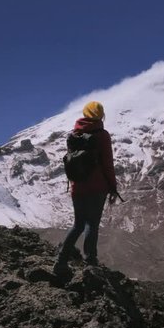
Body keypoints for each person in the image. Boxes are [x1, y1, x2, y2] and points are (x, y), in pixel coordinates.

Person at [53, 101, 118, 274]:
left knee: (78, 225)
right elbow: (107, 164)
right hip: (97, 188)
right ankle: (90, 262)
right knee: (92, 224)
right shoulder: (102, 135)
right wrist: (113, 187)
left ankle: (60, 261)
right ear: (100, 115)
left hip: (78, 188)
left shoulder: (74, 134)